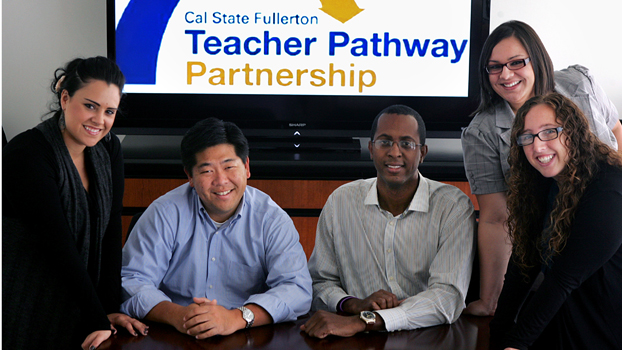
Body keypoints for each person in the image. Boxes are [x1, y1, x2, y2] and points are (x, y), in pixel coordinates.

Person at [460, 20, 622, 316]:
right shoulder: (480, 133)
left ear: (537, 59)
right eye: (494, 67)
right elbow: (497, 218)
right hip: (560, 254)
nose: (505, 74)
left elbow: (617, 136)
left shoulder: (578, 83)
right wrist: (490, 299)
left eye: (516, 62)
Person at [120, 117, 312, 338]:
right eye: (207, 171)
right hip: (174, 334)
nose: (221, 181)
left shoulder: (272, 219)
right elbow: (131, 281)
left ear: (247, 167)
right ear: (190, 177)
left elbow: (297, 289)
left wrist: (237, 318)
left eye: (229, 167)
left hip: (246, 334)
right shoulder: (164, 212)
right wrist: (179, 315)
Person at [2, 56, 146, 350]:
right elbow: (58, 246)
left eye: (109, 111)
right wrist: (97, 318)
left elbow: (110, 231)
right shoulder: (27, 153)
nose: (99, 120)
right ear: (65, 98)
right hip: (30, 307)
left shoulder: (109, 148)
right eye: (90, 106)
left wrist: (109, 308)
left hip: (83, 303)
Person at [301, 105, 476, 338]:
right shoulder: (341, 201)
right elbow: (320, 282)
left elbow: (447, 297)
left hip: (427, 338)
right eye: (385, 142)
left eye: (406, 143)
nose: (395, 152)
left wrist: (366, 321)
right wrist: (354, 305)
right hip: (352, 339)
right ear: (371, 149)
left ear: (422, 152)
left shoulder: (453, 206)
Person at [490, 92, 622, 350]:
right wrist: (497, 337)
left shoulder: (610, 187)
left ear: (573, 132)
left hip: (603, 329)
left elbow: (563, 280)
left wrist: (514, 344)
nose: (537, 146)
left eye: (549, 131)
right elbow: (522, 267)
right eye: (527, 137)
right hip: (563, 318)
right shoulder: (541, 182)